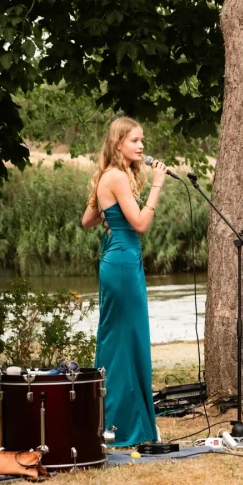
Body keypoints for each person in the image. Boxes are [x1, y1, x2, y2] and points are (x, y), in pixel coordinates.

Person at [82, 117, 167, 447]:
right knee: (125, 342)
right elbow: (141, 224)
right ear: (118, 144)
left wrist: (106, 207)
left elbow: (87, 219)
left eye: (142, 140)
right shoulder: (116, 176)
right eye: (134, 140)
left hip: (119, 258)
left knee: (120, 339)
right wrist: (157, 184)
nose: (141, 146)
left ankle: (110, 421)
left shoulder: (110, 175)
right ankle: (122, 425)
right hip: (121, 262)